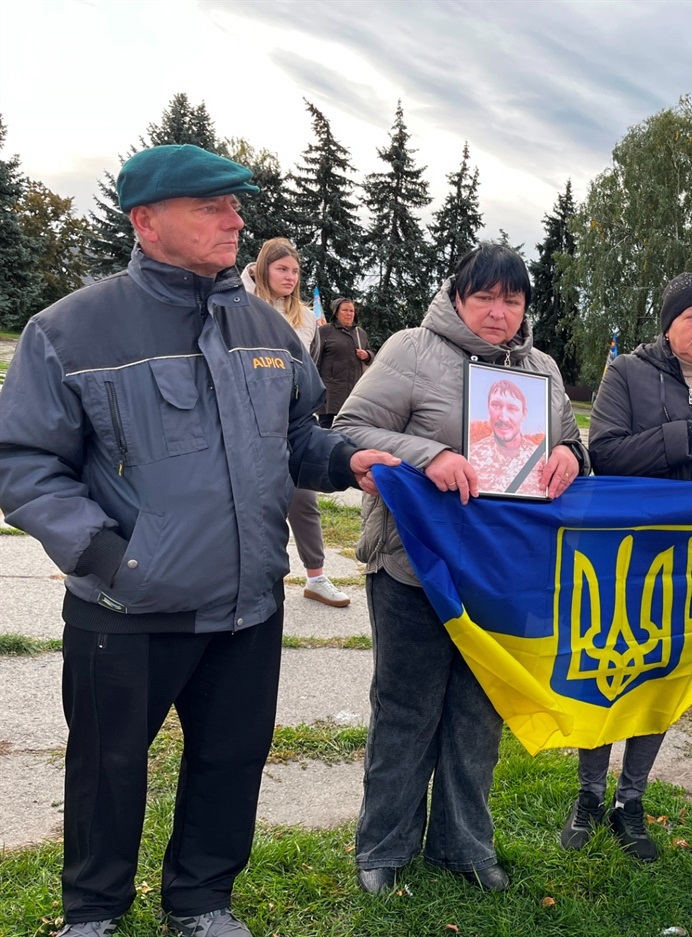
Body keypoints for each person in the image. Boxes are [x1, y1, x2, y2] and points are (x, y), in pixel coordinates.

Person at [0, 145, 397, 937]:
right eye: (211, 205)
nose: (235, 218)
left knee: (229, 761)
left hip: (248, 603)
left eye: (236, 204)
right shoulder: (70, 331)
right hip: (127, 603)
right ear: (146, 220)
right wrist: (111, 557)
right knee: (107, 771)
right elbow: (24, 463)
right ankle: (93, 913)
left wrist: (349, 458)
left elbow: (296, 441)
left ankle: (201, 900)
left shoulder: (265, 329)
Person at [333, 243, 587, 895]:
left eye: (512, 299)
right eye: (485, 297)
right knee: (406, 709)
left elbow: (569, 441)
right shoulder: (411, 350)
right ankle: (384, 846)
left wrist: (568, 452)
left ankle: (462, 842)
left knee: (479, 713)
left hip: (502, 574)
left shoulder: (543, 370)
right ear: (458, 296)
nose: (499, 312)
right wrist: (429, 455)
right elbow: (351, 427)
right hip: (414, 566)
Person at [563, 272, 692, 861]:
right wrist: (681, 436)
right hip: (625, 551)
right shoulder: (626, 373)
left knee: (662, 673)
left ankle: (631, 800)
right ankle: (589, 794)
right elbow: (603, 452)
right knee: (609, 664)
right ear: (669, 324)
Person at [243, 238, 350, 607]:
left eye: (295, 271)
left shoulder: (305, 319)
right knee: (247, 499)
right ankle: (248, 578)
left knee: (303, 498)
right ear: (262, 270)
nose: (289, 277)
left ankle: (316, 577)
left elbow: (308, 368)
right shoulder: (238, 305)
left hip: (290, 420)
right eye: (281, 269)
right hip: (243, 419)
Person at [469, 378, 544, 496]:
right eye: (496, 405)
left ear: (524, 414)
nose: (503, 417)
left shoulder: (541, 459)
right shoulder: (471, 455)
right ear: (488, 408)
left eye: (512, 408)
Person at [316, 296, 371, 429]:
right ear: (336, 313)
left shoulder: (360, 333)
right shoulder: (325, 331)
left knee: (350, 428)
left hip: (354, 391)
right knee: (326, 428)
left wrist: (367, 355)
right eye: (345, 310)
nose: (349, 313)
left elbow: (371, 352)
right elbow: (315, 358)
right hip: (330, 392)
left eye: (352, 311)